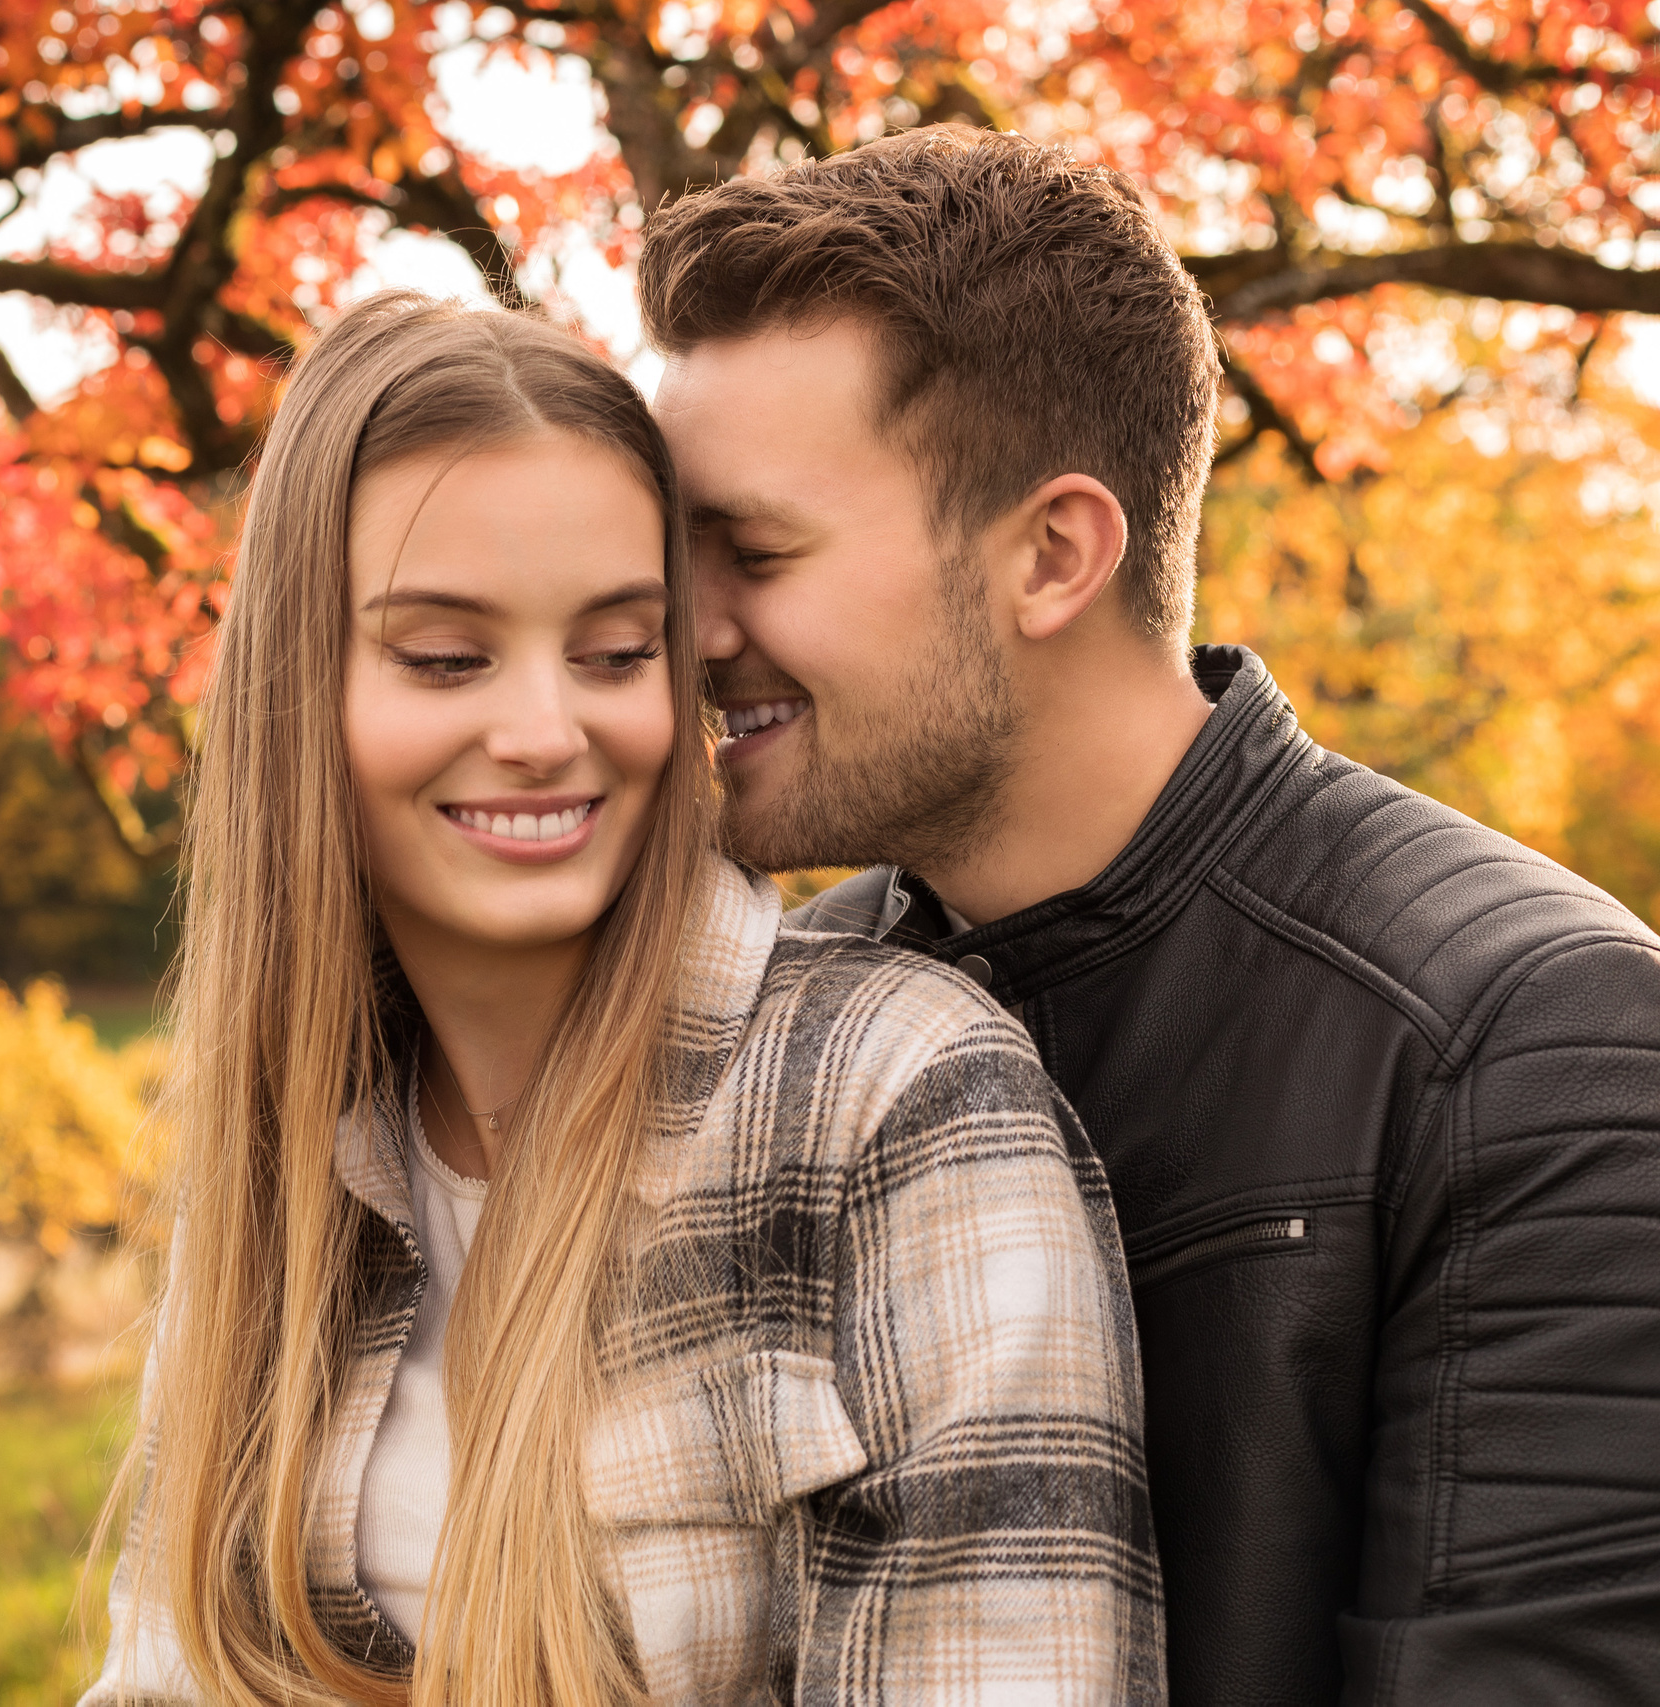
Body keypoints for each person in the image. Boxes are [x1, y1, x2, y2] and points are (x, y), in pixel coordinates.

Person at [639, 124, 1660, 1705]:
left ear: (1054, 554)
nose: (688, 630)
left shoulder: (1531, 1049)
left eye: (755, 552)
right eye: (672, 552)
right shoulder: (777, 1027)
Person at [83, 291, 1162, 1703]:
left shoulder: (895, 1104)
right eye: (445, 656)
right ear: (299, 688)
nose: (546, 733)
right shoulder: (286, 1170)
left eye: (615, 653)